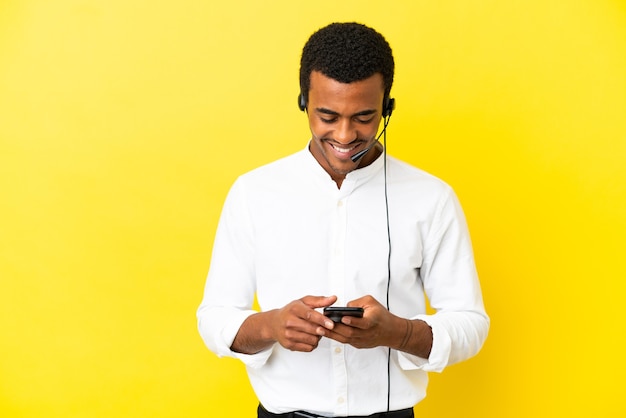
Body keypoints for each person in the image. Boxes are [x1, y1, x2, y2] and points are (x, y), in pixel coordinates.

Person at [197, 22, 489, 418]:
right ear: (304, 102)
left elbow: (470, 323)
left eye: (364, 117)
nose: (345, 134)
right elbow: (214, 317)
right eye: (328, 116)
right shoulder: (253, 192)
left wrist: (397, 333)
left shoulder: (432, 198)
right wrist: (272, 325)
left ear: (387, 107)